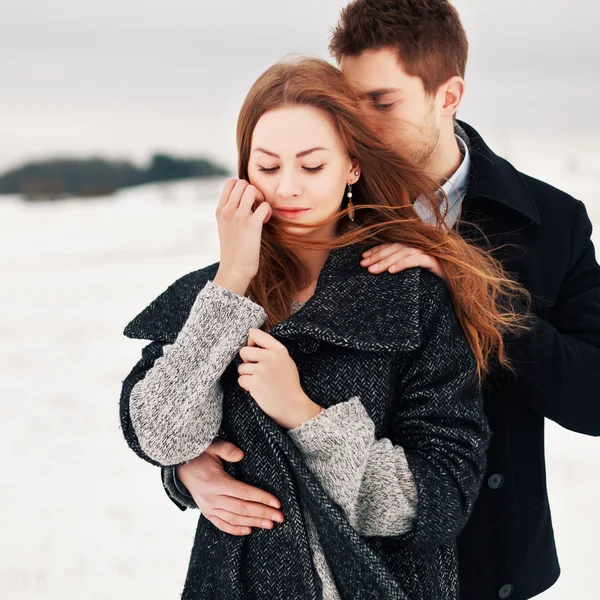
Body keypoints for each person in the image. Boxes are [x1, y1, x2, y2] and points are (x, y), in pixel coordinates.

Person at [167, 2, 600, 599]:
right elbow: (207, 369)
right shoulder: (317, 202)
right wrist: (187, 465)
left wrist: (466, 287)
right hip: (329, 560)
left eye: (382, 102)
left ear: (448, 95)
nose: (358, 125)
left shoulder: (550, 222)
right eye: (349, 101)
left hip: (486, 555)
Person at [120, 57, 529, 599]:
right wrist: (231, 280)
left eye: (312, 166)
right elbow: (161, 433)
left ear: (352, 167)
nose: (288, 188)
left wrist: (304, 415)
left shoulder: (411, 294)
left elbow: (440, 496)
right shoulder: (211, 295)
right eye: (267, 167)